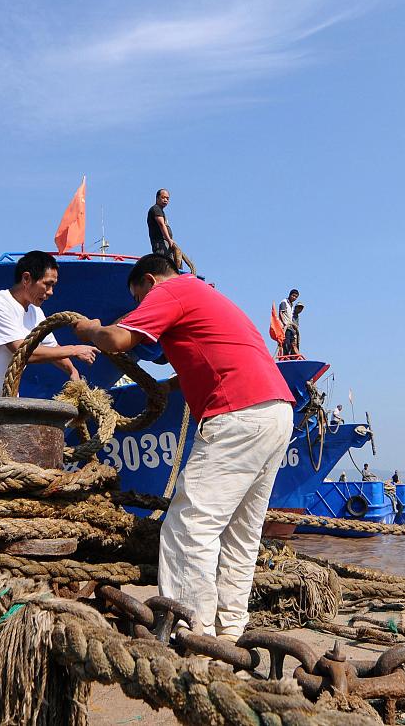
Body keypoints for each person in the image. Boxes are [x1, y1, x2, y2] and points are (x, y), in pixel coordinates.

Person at [73, 253, 294, 640]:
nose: (141, 307)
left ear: (148, 281)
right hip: (276, 411)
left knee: (189, 523)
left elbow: (116, 339)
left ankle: (188, 628)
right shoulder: (207, 295)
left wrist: (89, 329)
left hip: (237, 413)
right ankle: (229, 632)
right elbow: (211, 356)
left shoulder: (171, 289)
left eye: (139, 298)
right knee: (241, 532)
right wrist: (167, 387)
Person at [0, 250, 99, 398]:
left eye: (53, 286)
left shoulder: (36, 312)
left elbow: (52, 348)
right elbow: (21, 352)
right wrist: (74, 350)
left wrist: (72, 370)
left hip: (7, 401)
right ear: (26, 278)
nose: (51, 292)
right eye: (47, 284)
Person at [147, 189, 178, 261]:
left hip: (165, 242)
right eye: (163, 197)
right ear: (157, 198)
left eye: (167, 198)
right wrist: (169, 239)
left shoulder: (160, 211)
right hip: (161, 243)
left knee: (172, 264)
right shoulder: (156, 209)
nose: (165, 200)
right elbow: (161, 224)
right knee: (164, 264)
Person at [277, 289, 301, 356]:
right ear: (290, 295)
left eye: (296, 297)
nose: (294, 298)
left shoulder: (291, 305)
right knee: (286, 343)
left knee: (293, 343)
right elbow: (281, 313)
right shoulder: (284, 302)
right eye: (293, 296)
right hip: (285, 327)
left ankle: (291, 356)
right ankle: (286, 356)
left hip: (290, 327)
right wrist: (284, 323)